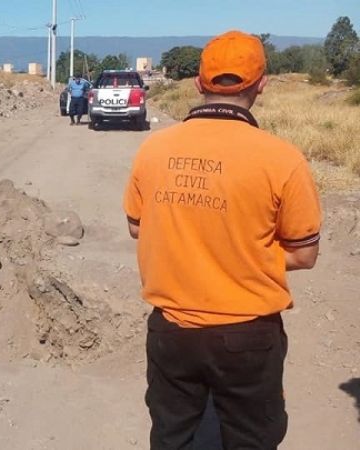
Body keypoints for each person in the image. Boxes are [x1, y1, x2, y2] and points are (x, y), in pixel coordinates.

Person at [123, 30, 322, 450]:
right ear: (261, 84)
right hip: (248, 336)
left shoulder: (153, 150)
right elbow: (304, 255)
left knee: (172, 436)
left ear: (198, 83)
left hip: (171, 331)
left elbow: (138, 227)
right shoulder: (283, 159)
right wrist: (244, 251)